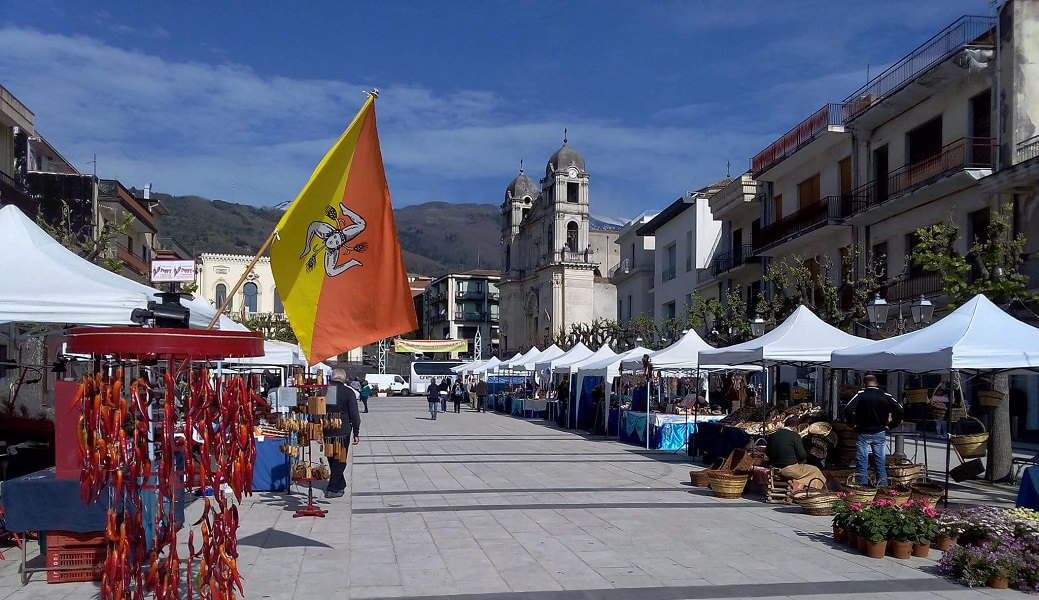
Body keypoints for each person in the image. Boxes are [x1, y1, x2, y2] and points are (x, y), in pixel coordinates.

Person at [844, 374, 903, 486]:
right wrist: (891, 425)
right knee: (880, 462)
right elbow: (899, 410)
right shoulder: (885, 395)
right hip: (879, 432)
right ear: (877, 383)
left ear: (864, 384)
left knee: (862, 462)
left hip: (863, 432)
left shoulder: (860, 394)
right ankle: (882, 487)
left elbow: (848, 408)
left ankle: (864, 488)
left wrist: (852, 423)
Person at [326, 369, 361, 498]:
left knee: (331, 457)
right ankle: (333, 487)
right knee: (340, 459)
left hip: (328, 429)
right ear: (344, 379)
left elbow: (321, 411)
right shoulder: (348, 392)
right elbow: (354, 413)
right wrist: (356, 432)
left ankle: (340, 484)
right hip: (343, 430)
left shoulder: (327, 391)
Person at [766, 416, 827, 490]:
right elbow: (802, 455)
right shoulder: (795, 436)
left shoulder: (772, 435)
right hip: (788, 469)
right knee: (815, 471)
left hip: (773, 469)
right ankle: (812, 491)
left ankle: (798, 485)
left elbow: (767, 453)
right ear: (795, 427)